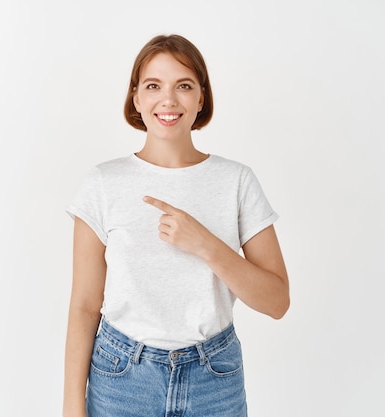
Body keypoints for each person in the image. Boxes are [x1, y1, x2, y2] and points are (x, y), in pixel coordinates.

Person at [63, 34, 289, 417]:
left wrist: (207, 246)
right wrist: (72, 408)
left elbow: (277, 301)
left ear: (201, 98)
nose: (168, 100)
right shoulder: (103, 183)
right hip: (121, 379)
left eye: (184, 86)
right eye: (153, 86)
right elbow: (85, 307)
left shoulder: (236, 181)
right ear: (136, 97)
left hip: (214, 379)